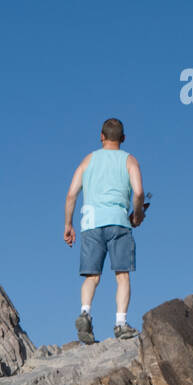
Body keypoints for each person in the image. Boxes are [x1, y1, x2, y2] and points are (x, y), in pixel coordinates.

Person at [63, 117, 145, 343]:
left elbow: (71, 194)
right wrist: (137, 214)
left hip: (91, 223)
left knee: (92, 276)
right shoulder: (129, 160)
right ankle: (120, 323)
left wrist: (68, 224)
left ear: (101, 136)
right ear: (123, 138)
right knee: (122, 275)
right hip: (118, 221)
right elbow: (138, 193)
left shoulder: (88, 160)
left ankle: (85, 312)